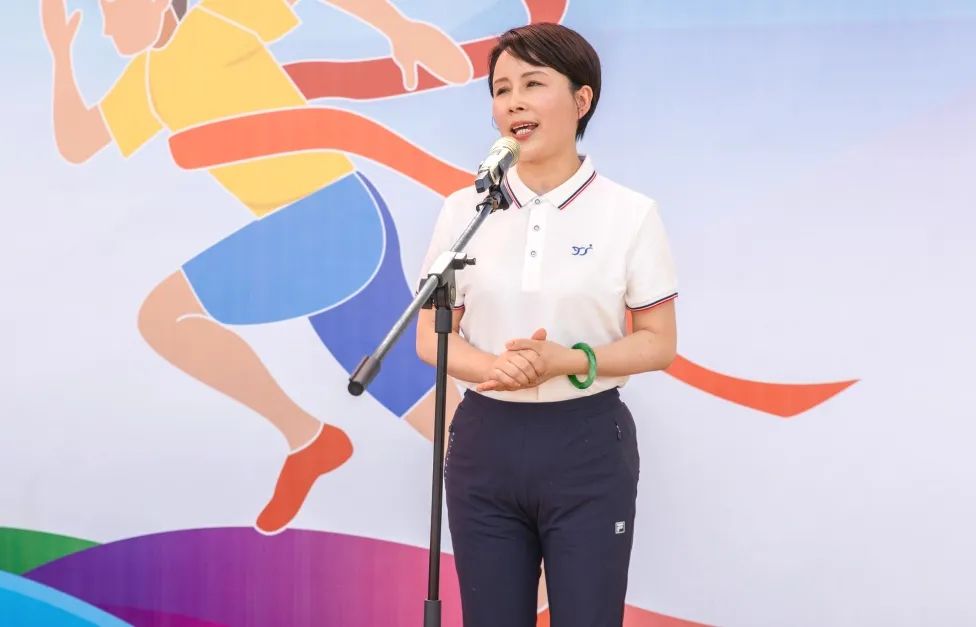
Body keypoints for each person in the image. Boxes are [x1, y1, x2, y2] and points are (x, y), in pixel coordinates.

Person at [40, 0, 472, 534]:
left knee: (164, 316)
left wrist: (399, 27)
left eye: (113, 10)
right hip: (322, 234)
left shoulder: (218, 20)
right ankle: (532, 555)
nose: (106, 27)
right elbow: (79, 141)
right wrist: (60, 53)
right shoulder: (146, 80)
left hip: (329, 217)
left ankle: (306, 436)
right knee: (434, 415)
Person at [416, 23, 679, 627]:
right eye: (501, 89)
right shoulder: (464, 211)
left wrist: (570, 360)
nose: (513, 102)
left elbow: (659, 342)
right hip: (486, 441)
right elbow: (431, 337)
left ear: (582, 100)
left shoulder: (629, 213)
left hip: (587, 443)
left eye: (533, 84)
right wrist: (496, 367)